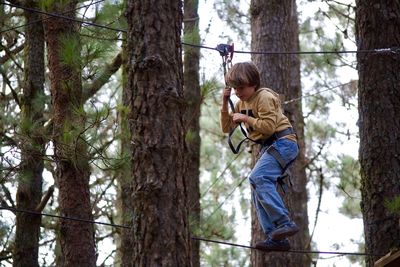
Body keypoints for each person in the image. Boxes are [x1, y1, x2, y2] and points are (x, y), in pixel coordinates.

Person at [220, 61, 299, 251]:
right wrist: (225, 101)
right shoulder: (240, 103)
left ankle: (284, 223)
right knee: (256, 185)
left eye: (241, 87)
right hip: (270, 147)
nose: (238, 92)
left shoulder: (263, 97)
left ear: (253, 84)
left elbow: (269, 127)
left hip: (283, 143)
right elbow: (225, 127)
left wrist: (246, 118)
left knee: (258, 177)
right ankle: (277, 237)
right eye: (235, 88)